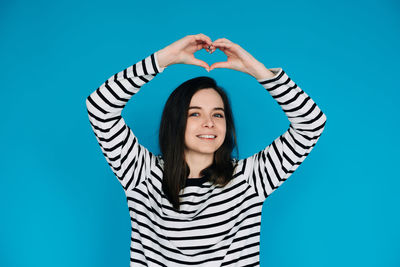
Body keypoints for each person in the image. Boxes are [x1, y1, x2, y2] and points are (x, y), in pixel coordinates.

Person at [86, 33, 327, 267]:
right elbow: (100, 107)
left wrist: (259, 71)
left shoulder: (249, 179)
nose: (209, 123)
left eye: (218, 114)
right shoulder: (143, 174)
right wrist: (164, 59)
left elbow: (311, 124)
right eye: (195, 113)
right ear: (176, 121)